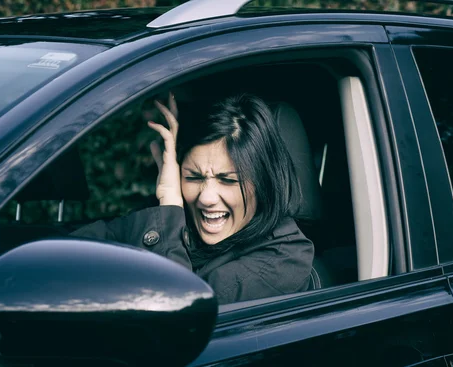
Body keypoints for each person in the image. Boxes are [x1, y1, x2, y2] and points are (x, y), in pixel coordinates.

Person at [72, 92, 314, 304]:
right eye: (194, 177)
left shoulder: (285, 259)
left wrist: (169, 201)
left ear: (263, 183)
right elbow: (79, 250)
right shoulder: (179, 213)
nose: (206, 198)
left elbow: (176, 314)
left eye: (228, 180)